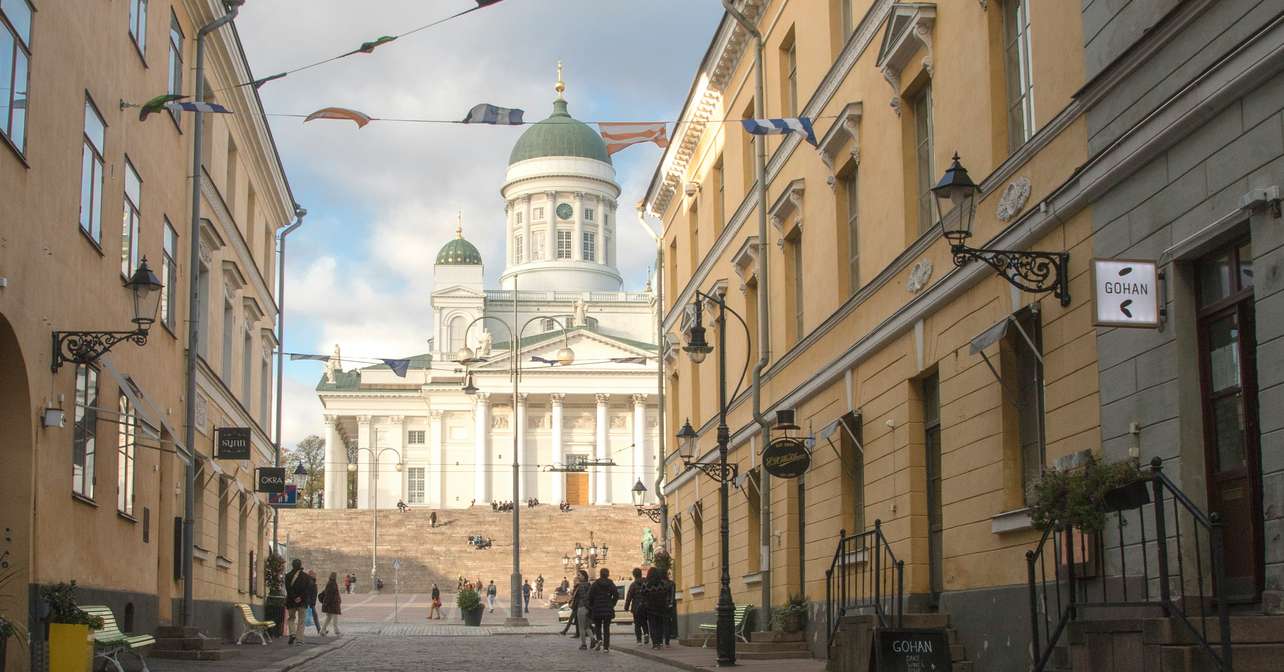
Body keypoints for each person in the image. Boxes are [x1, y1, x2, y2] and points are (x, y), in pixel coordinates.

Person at [587, 568, 619, 652]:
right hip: (607, 607)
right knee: (606, 628)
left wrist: (592, 605)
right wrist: (612, 603)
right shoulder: (610, 583)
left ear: (600, 574)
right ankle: (606, 647)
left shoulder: (595, 584)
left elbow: (590, 596)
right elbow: (616, 594)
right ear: (608, 574)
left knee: (597, 626)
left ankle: (599, 639)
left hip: (597, 608)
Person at [640, 568, 668, 650]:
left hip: (650, 608)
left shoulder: (646, 584)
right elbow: (666, 593)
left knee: (652, 625)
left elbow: (642, 594)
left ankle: (655, 643)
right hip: (661, 607)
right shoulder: (662, 584)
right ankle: (659, 642)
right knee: (660, 625)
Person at [284, 559, 309, 645]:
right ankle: (299, 640)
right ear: (300, 565)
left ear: (292, 565)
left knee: (291, 618)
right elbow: (307, 590)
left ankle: (292, 633)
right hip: (302, 602)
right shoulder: (306, 576)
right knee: (301, 621)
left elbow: (288, 589)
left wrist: (294, 597)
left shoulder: (288, 576)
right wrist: (300, 598)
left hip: (291, 601)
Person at [624, 567, 648, 645]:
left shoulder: (633, 585)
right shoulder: (646, 583)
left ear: (634, 575)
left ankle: (639, 640)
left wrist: (626, 607)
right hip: (645, 605)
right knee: (644, 621)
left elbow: (629, 597)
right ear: (641, 574)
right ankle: (646, 634)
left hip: (636, 607)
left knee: (637, 624)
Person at [319, 572, 342, 636]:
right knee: (334, 617)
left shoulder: (332, 583)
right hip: (332, 604)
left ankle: (322, 630)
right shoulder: (331, 583)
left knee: (329, 617)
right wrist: (327, 603)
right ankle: (336, 630)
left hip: (332, 603)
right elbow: (328, 594)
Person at [306, 570, 322, 636]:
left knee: (314, 615)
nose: (315, 575)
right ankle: (319, 630)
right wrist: (312, 603)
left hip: (309, 602)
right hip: (309, 602)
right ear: (311, 574)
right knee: (314, 615)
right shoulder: (311, 582)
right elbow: (311, 594)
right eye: (314, 574)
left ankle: (319, 630)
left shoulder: (311, 581)